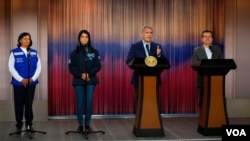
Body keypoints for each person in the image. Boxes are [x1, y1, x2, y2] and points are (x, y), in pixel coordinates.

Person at [126, 25, 166, 112]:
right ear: (142, 34)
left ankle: (153, 121)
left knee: (153, 103)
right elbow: (129, 61)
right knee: (140, 102)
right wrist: (138, 64)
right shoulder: (135, 46)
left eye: (151, 33)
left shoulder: (157, 46)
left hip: (154, 79)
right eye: (147, 32)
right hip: (139, 78)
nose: (149, 34)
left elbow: (163, 62)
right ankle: (140, 122)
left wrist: (158, 55)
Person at [68, 29, 101, 132]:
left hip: (91, 80)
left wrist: (88, 74)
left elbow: (98, 66)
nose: (84, 38)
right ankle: (80, 125)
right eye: (82, 37)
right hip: (78, 80)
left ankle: (87, 125)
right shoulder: (74, 53)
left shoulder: (94, 52)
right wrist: (80, 75)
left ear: (89, 39)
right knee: (80, 102)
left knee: (89, 102)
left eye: (86, 37)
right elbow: (71, 67)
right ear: (79, 39)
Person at [8, 32, 42, 132]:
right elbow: (11, 67)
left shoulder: (34, 52)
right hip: (19, 84)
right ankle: (19, 124)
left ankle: (29, 124)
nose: (27, 40)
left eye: (28, 39)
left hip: (31, 83)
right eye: (24, 38)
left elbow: (39, 67)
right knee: (19, 104)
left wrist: (32, 78)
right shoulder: (14, 52)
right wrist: (21, 79)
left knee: (29, 104)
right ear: (20, 40)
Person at [191, 30, 224, 109]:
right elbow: (193, 63)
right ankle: (202, 118)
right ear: (202, 39)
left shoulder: (217, 49)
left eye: (209, 36)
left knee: (215, 100)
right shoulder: (197, 50)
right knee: (202, 100)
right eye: (205, 36)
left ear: (212, 39)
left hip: (215, 80)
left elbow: (222, 63)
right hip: (202, 80)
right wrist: (203, 64)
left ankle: (215, 117)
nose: (207, 38)